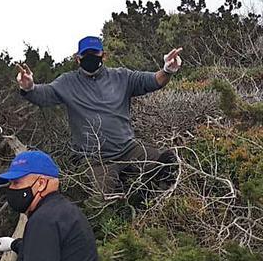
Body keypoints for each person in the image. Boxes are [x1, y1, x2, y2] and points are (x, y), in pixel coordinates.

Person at [16, 36, 183, 197]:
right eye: (85, 55)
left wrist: (167, 69)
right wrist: (29, 88)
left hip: (128, 149)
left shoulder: (122, 77)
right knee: (103, 203)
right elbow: (44, 95)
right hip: (95, 160)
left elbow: (153, 80)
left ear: (104, 55)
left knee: (167, 163)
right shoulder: (67, 83)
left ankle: (157, 203)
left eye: (94, 54)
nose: (90, 58)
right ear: (77, 58)